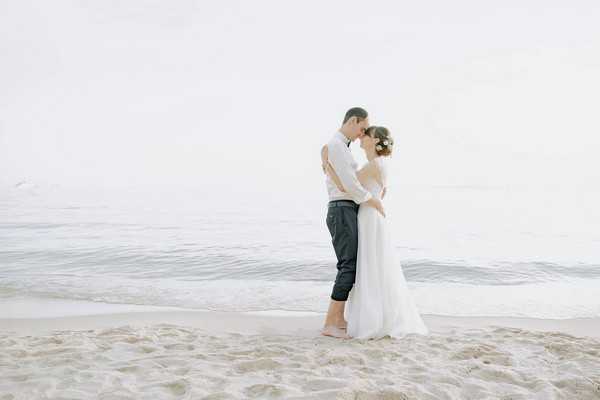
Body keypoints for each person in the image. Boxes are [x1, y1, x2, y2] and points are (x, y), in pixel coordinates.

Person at [322, 124, 428, 339]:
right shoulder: (378, 164)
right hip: (372, 216)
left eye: (366, 135)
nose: (362, 137)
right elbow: (381, 191)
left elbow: (346, 186)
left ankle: (368, 317)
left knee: (369, 264)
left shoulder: (373, 166)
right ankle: (374, 315)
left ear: (373, 140)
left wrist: (327, 165)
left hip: (368, 217)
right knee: (375, 264)